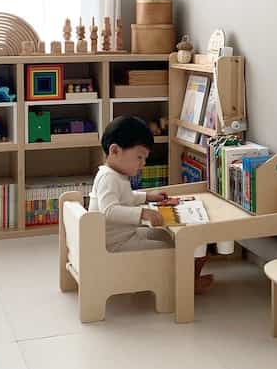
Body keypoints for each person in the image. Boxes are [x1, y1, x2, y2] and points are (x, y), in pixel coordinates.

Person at [89, 115, 213, 292]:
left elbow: (126, 197)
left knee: (165, 237)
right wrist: (143, 213)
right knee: (168, 251)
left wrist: (148, 197)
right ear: (115, 151)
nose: (143, 164)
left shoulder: (115, 175)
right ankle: (185, 284)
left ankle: (190, 273)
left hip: (123, 236)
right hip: (114, 245)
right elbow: (109, 210)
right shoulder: (108, 178)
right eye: (139, 157)